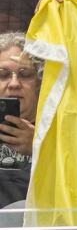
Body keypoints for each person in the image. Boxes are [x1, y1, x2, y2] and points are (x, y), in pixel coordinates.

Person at [0, 32, 42, 206]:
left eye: (24, 75)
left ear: (40, 83)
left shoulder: (59, 133)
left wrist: (40, 146)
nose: (14, 83)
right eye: (3, 75)